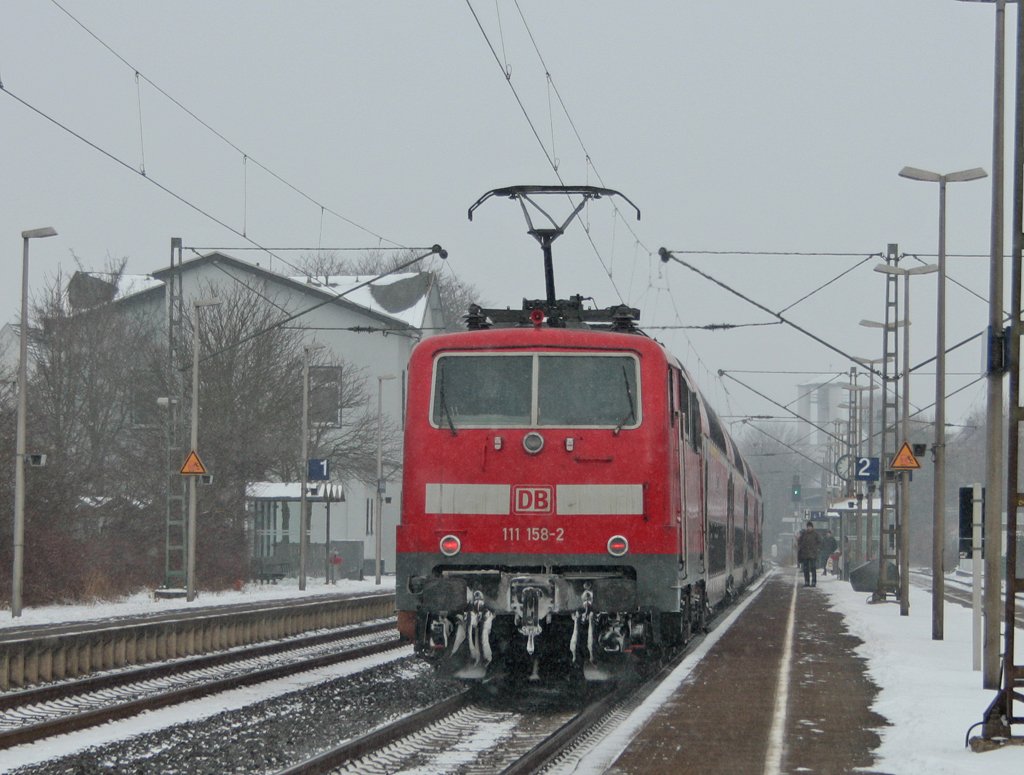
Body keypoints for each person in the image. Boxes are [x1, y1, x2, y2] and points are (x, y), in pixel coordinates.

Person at [797, 521, 823, 587]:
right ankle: (807, 582)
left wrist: (817, 549)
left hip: (813, 554)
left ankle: (813, 582)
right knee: (806, 569)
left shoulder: (816, 534)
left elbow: (820, 542)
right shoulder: (804, 534)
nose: (809, 528)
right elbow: (800, 542)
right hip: (805, 554)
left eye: (810, 527)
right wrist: (801, 547)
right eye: (808, 527)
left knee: (813, 568)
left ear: (812, 527)